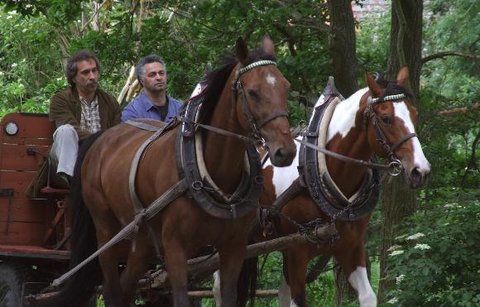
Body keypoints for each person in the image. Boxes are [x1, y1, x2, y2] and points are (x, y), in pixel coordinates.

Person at [49, 50, 121, 184]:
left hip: (100, 158)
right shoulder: (61, 99)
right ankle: (72, 181)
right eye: (85, 72)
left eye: (94, 71)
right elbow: (73, 130)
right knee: (66, 131)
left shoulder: (110, 102)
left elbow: (116, 134)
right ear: (73, 78)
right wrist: (100, 139)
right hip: (65, 161)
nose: (92, 76)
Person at [121, 55, 182, 122]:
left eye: (161, 73)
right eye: (152, 75)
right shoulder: (132, 113)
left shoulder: (180, 109)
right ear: (141, 80)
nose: (159, 78)